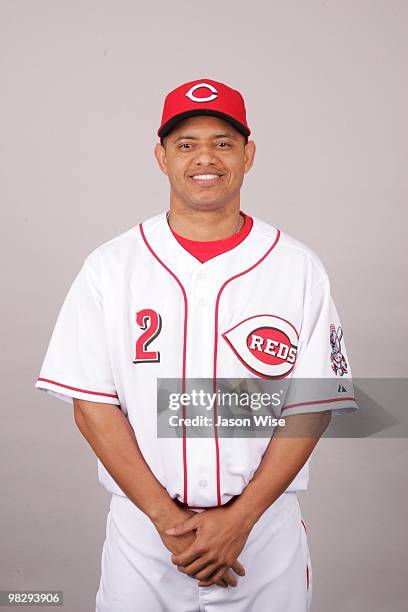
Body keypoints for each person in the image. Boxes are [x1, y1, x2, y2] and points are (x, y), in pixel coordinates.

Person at [35, 78, 358, 611]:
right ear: (161, 157)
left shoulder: (297, 267)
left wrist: (240, 520)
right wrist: (169, 523)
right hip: (144, 538)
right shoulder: (110, 267)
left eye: (223, 142)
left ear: (248, 156)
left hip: (262, 538)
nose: (204, 157)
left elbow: (312, 405)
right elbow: (92, 406)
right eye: (186, 143)